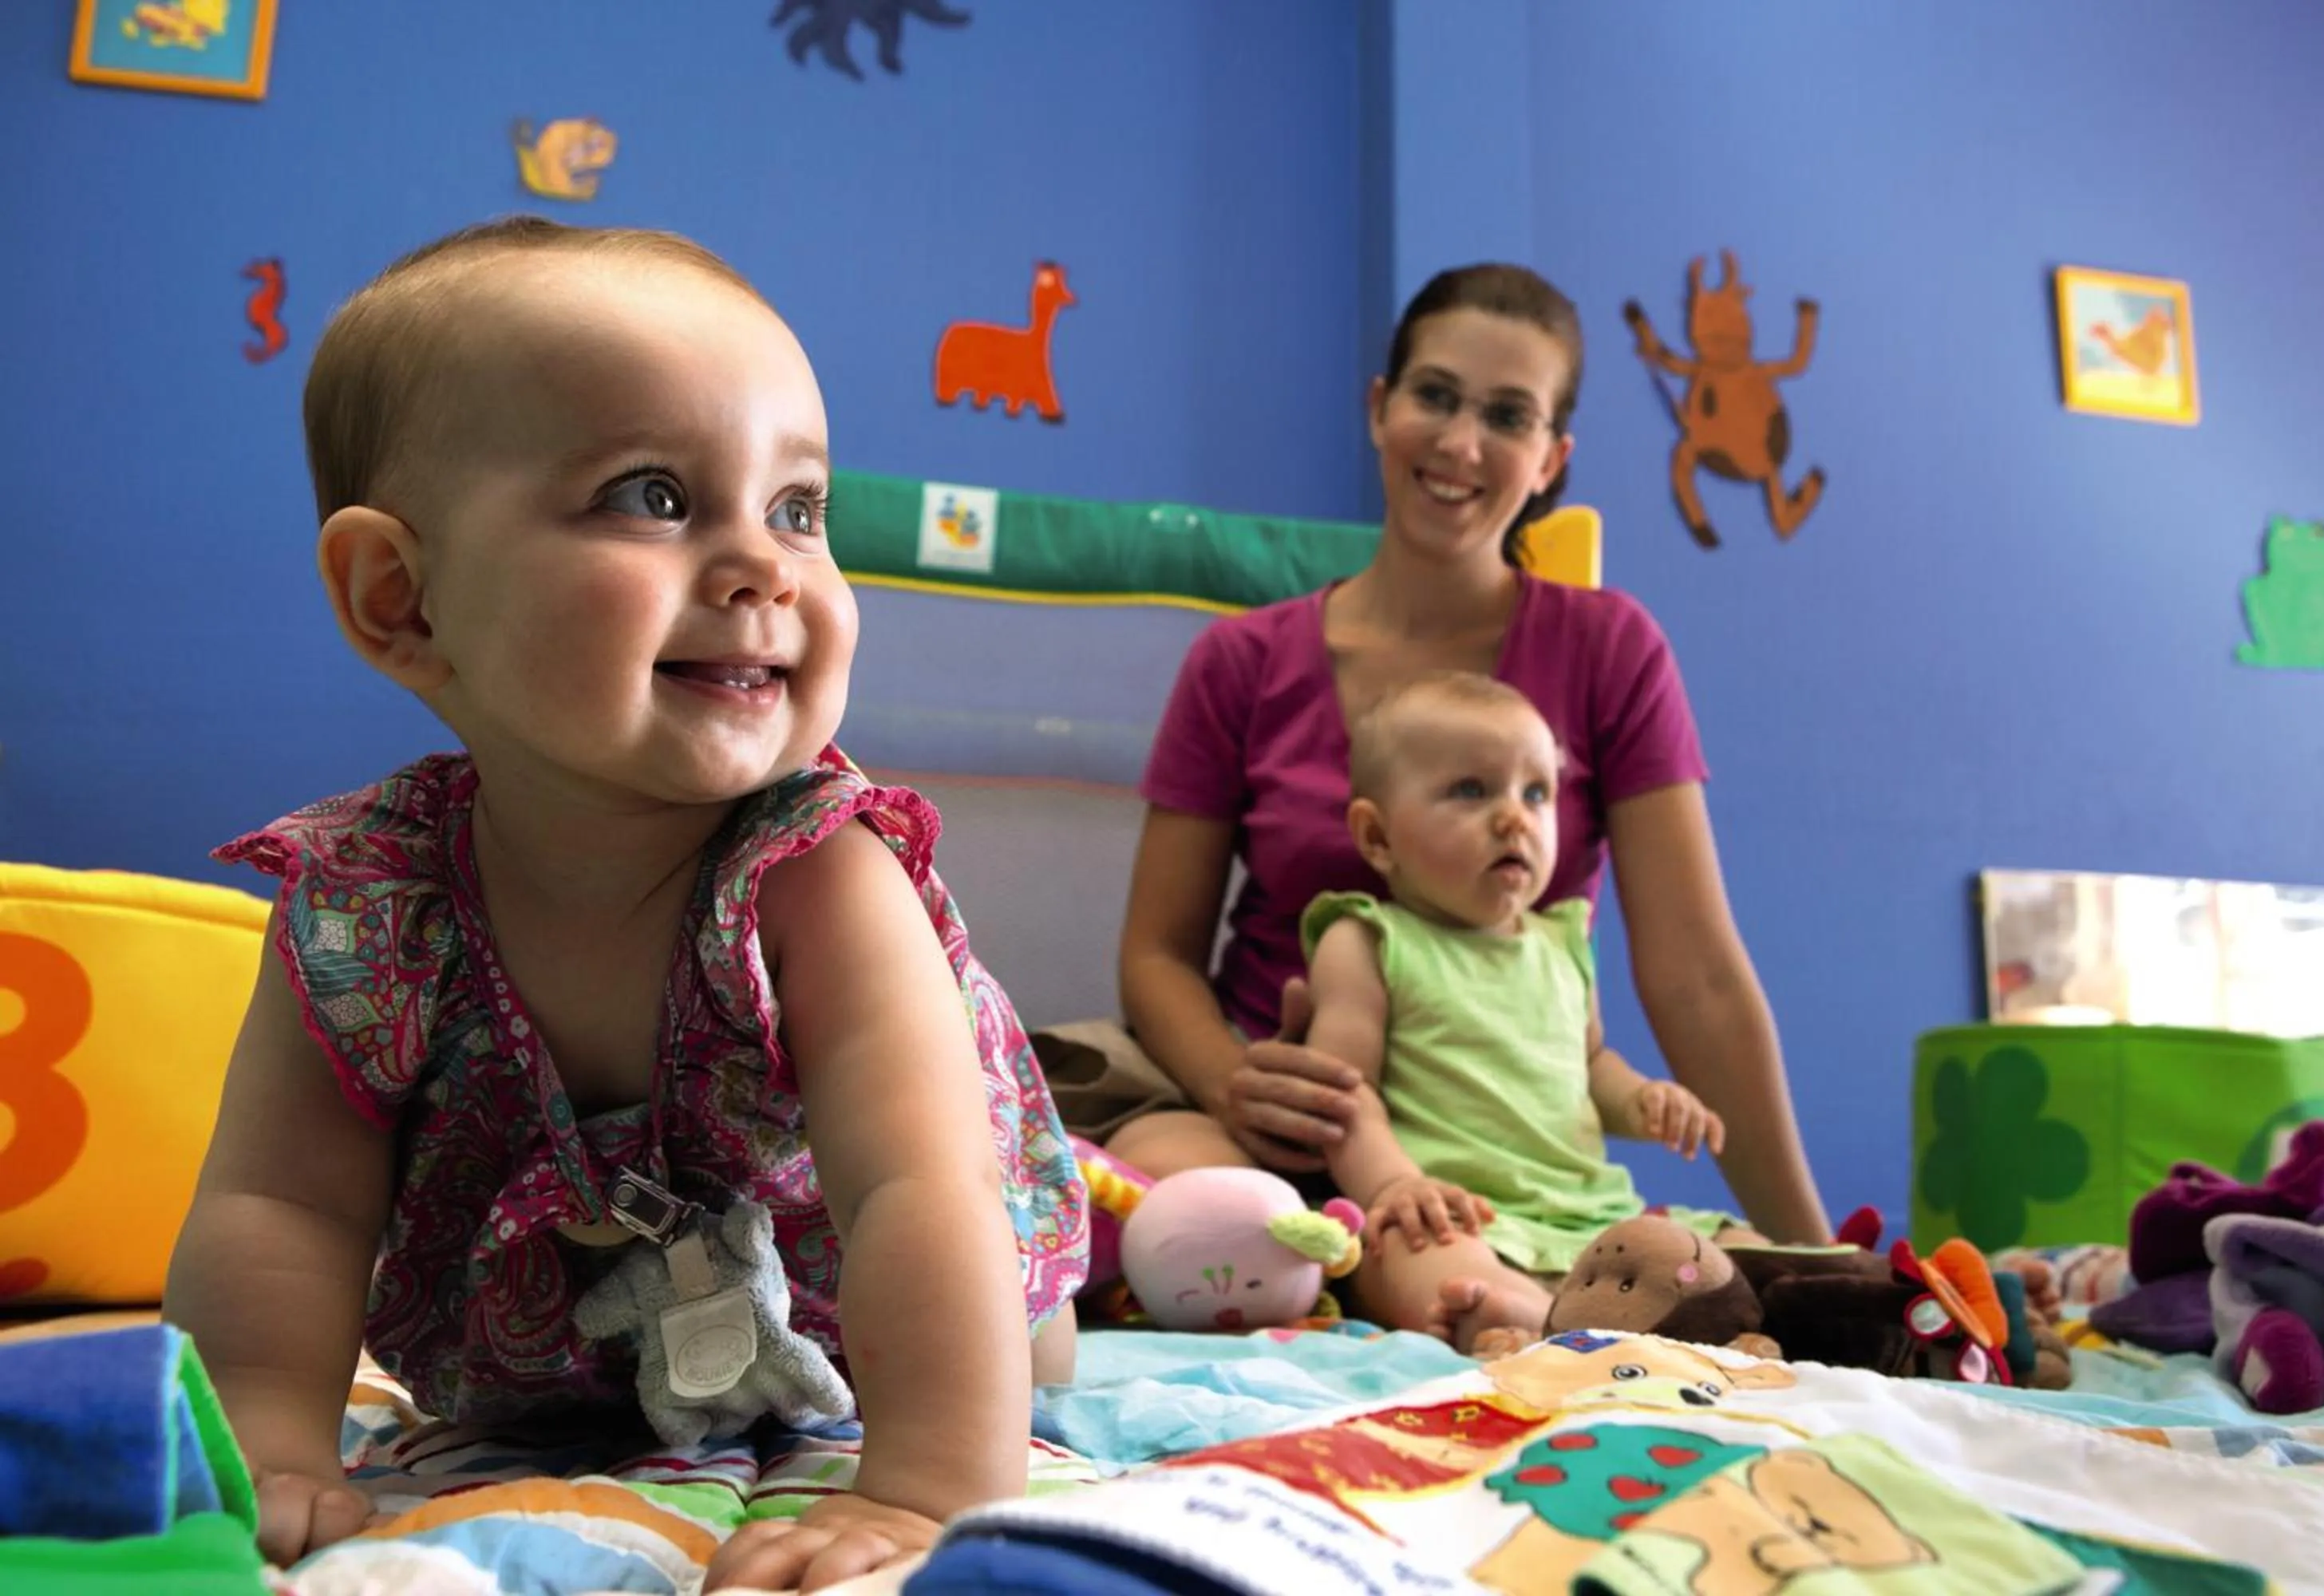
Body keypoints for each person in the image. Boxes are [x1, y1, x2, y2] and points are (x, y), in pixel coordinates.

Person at [161, 216, 1087, 1594]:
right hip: (556, 1364)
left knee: (1039, 1342)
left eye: (799, 509)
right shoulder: (371, 906)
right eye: (653, 496)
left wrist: (929, 1488)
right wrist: (266, 1438)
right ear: (402, 599)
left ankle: (1115, 1226)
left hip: (861, 1315)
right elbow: (280, 1201)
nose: (767, 565)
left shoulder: (819, 873)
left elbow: (922, 1188)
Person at [1093, 262, 1831, 1246]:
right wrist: (1236, 1084)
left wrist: (1819, 1249)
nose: (1460, 443)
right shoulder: (1241, 662)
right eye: (1435, 396)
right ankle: (1345, 1247)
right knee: (1156, 1178)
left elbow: (1698, 977)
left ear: (1552, 458)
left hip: (1502, 1164)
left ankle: (1393, 1261)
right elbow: (1156, 954)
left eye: (1508, 416)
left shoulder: (1610, 650)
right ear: (1379, 408)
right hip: (1286, 1137)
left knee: (1688, 1257)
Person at [1302, 671, 1762, 1348]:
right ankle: (1527, 1316)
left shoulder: (1563, 944)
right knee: (1414, 1258)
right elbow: (1340, 1092)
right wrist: (1394, 1184)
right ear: (1377, 837)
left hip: (1593, 1219)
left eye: (1537, 792)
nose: (1515, 816)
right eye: (1471, 790)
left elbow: (1591, 1063)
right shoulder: (1368, 941)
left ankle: (1614, 1315)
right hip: (1459, 1213)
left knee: (1737, 1249)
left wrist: (1643, 1100)